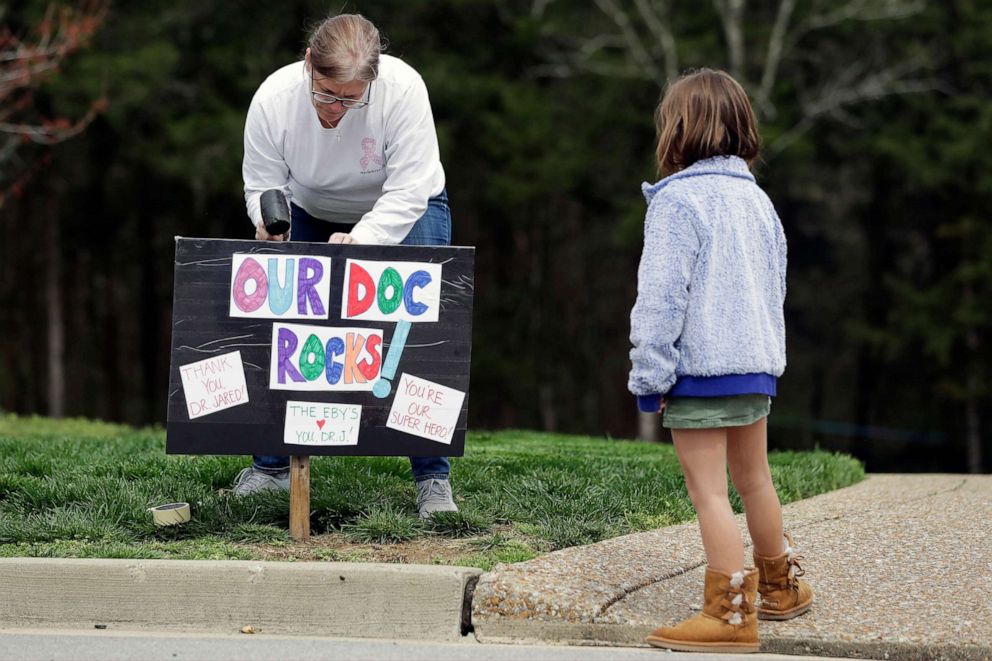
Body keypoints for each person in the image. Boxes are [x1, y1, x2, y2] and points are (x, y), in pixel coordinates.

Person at [235, 13, 457, 518]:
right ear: (308, 64)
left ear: (373, 81)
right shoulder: (273, 99)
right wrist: (272, 222)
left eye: (351, 99)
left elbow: (407, 191)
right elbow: (263, 182)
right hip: (310, 208)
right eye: (326, 94)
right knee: (286, 322)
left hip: (407, 206)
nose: (335, 109)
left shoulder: (404, 91)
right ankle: (270, 468)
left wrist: (362, 240)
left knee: (413, 335)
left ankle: (432, 478)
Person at [628, 69, 813, 653]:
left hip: (699, 372)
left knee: (708, 492)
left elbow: (660, 299)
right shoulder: (759, 202)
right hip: (754, 366)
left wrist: (650, 376)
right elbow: (774, 288)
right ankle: (780, 587)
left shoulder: (676, 201)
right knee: (755, 479)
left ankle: (729, 614)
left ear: (675, 130)